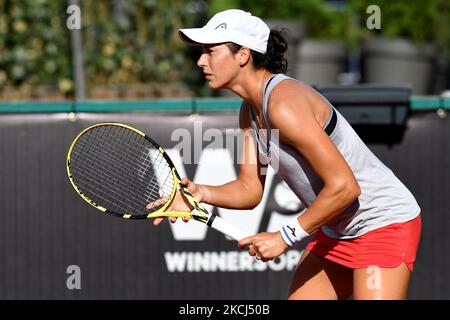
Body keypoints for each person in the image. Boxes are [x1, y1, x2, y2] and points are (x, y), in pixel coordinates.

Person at [149, 9, 422, 300]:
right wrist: (199, 193)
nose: (201, 61)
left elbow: (345, 187)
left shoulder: (284, 105)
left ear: (243, 55)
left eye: (210, 51)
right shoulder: (249, 112)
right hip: (337, 230)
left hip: (381, 222)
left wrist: (284, 236)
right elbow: (249, 189)